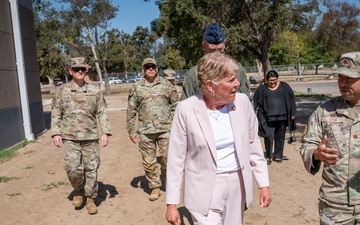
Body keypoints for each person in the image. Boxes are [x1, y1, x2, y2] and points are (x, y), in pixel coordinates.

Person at [166, 52, 272, 225]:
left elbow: (253, 144)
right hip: (202, 188)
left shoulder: (242, 102)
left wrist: (263, 184)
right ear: (210, 85)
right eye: (230, 80)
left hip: (237, 184)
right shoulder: (186, 109)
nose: (237, 84)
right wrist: (171, 203)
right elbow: (176, 158)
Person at [300, 51, 360, 224]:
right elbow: (307, 144)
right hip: (335, 207)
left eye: (349, 78)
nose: (342, 83)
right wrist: (317, 154)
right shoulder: (325, 110)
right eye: (340, 77)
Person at [51, 57, 112, 215]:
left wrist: (105, 132)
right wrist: (56, 133)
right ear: (71, 71)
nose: (80, 72)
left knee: (91, 169)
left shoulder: (95, 91)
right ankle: (78, 190)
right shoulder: (62, 91)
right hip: (70, 138)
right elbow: (57, 113)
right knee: (73, 169)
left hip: (90, 137)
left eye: (82, 69)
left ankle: (90, 198)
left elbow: (102, 112)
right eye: (76, 69)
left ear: (86, 71)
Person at [126, 58, 179, 201]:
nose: (150, 69)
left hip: (166, 129)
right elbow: (131, 111)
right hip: (145, 130)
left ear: (157, 68)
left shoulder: (166, 85)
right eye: (147, 67)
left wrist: (177, 127)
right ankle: (155, 187)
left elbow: (175, 106)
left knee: (168, 158)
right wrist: (131, 131)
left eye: (153, 67)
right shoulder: (136, 87)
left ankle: (165, 176)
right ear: (143, 70)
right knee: (148, 161)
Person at [181, 23, 252, 101]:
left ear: (224, 44)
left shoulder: (237, 69)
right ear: (203, 46)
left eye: (220, 49)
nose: (216, 54)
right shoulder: (194, 74)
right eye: (212, 50)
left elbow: (247, 100)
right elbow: (185, 107)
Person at [253, 70, 297, 164]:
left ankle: (278, 156)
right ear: (266, 80)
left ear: (277, 78)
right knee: (268, 136)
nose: (272, 82)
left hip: (282, 117)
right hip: (267, 118)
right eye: (270, 80)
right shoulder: (262, 89)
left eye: (274, 80)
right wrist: (252, 114)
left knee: (280, 137)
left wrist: (293, 113)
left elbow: (292, 99)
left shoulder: (284, 86)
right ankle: (268, 156)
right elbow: (255, 101)